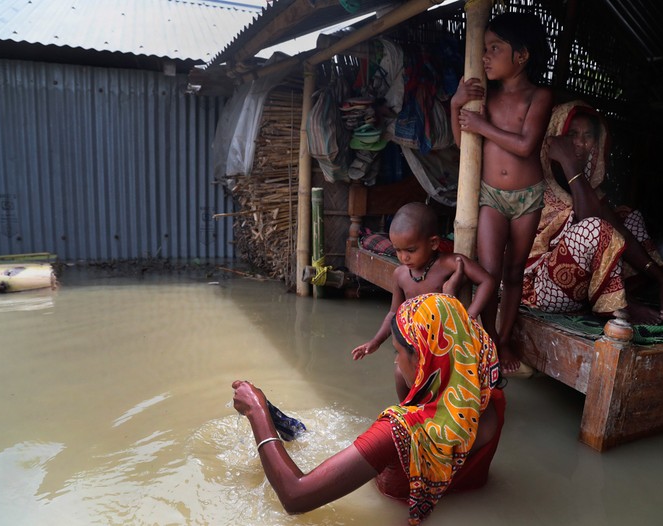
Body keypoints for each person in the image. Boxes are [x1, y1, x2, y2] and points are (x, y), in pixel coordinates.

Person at [231, 293, 505, 525]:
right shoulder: (489, 395)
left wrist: (257, 412)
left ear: (425, 358)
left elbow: (295, 496)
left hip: (393, 505)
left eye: (398, 352)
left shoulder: (397, 432)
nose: (396, 363)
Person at [450, 11, 553, 375]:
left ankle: (503, 339)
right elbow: (463, 144)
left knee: (513, 272)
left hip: (528, 197)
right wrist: (456, 105)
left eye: (495, 48)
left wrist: (481, 124)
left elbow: (526, 146)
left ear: (521, 56)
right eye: (485, 48)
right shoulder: (484, 98)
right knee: (490, 272)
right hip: (491, 195)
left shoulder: (539, 96)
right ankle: (487, 336)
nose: (486, 56)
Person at [523, 100, 663, 323]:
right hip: (542, 289)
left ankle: (612, 296)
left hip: (579, 288)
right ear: (555, 136)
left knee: (630, 219)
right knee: (594, 228)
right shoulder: (536, 178)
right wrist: (568, 162)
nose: (579, 143)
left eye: (588, 136)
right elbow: (591, 223)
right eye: (572, 134)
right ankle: (618, 306)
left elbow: (620, 232)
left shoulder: (588, 189)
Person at [351, 202, 495, 368]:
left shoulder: (451, 263)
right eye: (398, 250)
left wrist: (470, 316)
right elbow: (393, 312)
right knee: (401, 374)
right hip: (413, 344)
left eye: (410, 251)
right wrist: (376, 342)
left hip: (446, 342)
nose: (404, 258)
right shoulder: (400, 274)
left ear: (433, 243)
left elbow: (487, 281)